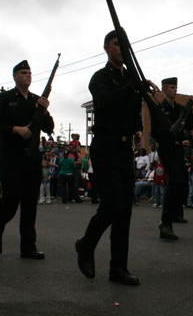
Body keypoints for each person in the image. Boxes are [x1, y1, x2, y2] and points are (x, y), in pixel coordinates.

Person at [75, 30, 143, 286]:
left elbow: (134, 112)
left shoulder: (130, 79)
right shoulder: (100, 77)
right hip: (105, 148)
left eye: (124, 44)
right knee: (113, 202)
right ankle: (86, 244)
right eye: (117, 44)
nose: (121, 49)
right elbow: (103, 102)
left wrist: (138, 129)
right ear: (106, 48)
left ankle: (118, 268)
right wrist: (131, 86)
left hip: (125, 150)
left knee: (124, 211)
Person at [0, 59, 54, 259]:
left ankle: (28, 247)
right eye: (24, 72)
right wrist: (15, 129)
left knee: (29, 203)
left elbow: (48, 128)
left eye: (30, 73)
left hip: (32, 157)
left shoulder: (36, 99)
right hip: (11, 156)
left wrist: (45, 108)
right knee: (11, 199)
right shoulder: (4, 98)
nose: (28, 75)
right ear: (15, 76)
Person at [157, 77, 193, 240]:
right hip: (166, 148)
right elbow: (156, 132)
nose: (175, 90)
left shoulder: (181, 108)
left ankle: (173, 215)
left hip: (178, 149)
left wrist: (190, 109)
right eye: (172, 87)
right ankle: (165, 223)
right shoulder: (160, 108)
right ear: (164, 90)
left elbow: (190, 126)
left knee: (181, 184)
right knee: (177, 181)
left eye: (176, 87)